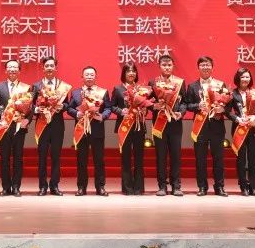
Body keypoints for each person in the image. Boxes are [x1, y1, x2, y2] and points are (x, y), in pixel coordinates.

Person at [187, 56, 229, 197]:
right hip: (200, 127)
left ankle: (219, 187)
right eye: (202, 65)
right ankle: (202, 187)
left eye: (208, 65)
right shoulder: (192, 86)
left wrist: (222, 109)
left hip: (217, 126)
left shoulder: (220, 85)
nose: (205, 67)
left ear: (212, 67)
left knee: (219, 159)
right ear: (198, 67)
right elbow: (187, 105)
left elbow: (227, 105)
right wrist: (197, 105)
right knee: (200, 159)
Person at [67, 66, 111, 196]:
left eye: (92, 74)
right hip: (81, 130)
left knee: (99, 160)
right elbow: (69, 108)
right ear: (82, 77)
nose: (89, 77)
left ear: (96, 77)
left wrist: (102, 116)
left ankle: (100, 187)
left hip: (97, 129)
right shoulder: (76, 93)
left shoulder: (102, 92)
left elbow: (108, 108)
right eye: (87, 74)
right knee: (81, 160)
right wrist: (77, 113)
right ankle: (81, 187)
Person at [33, 56, 71, 196]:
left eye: (51, 66)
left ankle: (54, 185)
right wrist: (37, 109)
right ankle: (42, 186)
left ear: (55, 68)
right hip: (42, 124)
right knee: (42, 157)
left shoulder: (62, 86)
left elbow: (67, 104)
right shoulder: (37, 86)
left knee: (56, 156)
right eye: (47, 66)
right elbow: (31, 105)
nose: (49, 68)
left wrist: (62, 106)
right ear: (43, 68)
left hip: (57, 125)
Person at [150, 54, 186, 197]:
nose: (167, 67)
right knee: (160, 155)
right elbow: (147, 101)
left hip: (175, 123)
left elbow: (184, 102)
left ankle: (176, 186)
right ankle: (162, 186)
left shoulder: (180, 82)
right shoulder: (153, 82)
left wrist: (180, 113)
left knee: (176, 155)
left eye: (169, 65)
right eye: (164, 65)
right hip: (159, 123)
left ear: (173, 66)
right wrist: (154, 106)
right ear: (159, 66)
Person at [0, 59, 32, 196]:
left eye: (15, 67)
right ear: (6, 70)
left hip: (19, 127)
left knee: (18, 158)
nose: (12, 69)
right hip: (4, 127)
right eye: (9, 67)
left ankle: (16, 187)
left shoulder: (26, 87)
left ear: (19, 71)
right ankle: (5, 187)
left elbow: (31, 108)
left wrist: (27, 120)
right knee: (4, 159)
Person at [228, 68, 255, 196]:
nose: (245, 79)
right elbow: (227, 111)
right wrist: (237, 119)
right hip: (239, 128)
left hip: (254, 128)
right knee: (241, 159)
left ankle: (253, 187)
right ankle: (243, 186)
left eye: (247, 77)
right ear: (238, 78)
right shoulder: (232, 93)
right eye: (242, 77)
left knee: (253, 158)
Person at [113, 63, 147, 195]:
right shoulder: (118, 89)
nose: (131, 73)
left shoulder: (141, 89)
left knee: (139, 157)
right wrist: (121, 111)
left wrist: (143, 110)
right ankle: (127, 188)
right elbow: (112, 106)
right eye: (128, 71)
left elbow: (146, 105)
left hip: (138, 126)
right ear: (124, 74)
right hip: (124, 126)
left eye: (133, 71)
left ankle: (138, 188)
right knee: (125, 157)